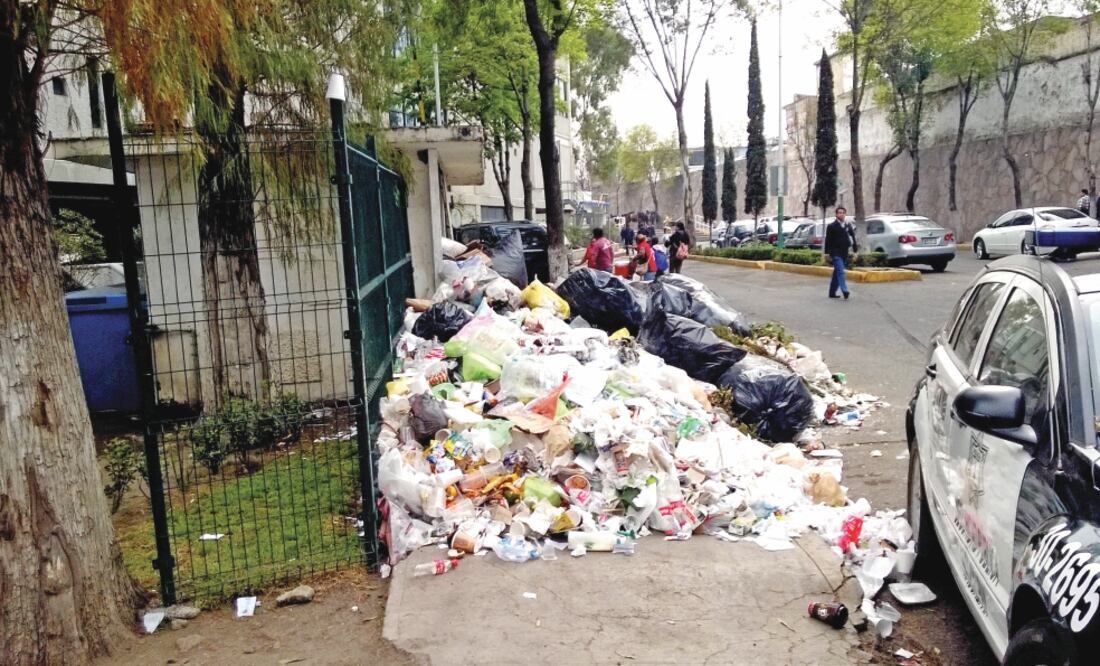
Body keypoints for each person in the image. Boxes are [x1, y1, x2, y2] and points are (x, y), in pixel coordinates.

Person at [825, 207, 853, 300]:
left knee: (837, 272)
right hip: (835, 252)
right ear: (836, 214)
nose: (841, 214)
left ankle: (832, 292)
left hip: (844, 252)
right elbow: (828, 240)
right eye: (839, 213)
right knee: (840, 271)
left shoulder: (848, 225)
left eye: (843, 213)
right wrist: (827, 253)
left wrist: (855, 250)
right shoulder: (831, 226)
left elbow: (852, 237)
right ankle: (845, 290)